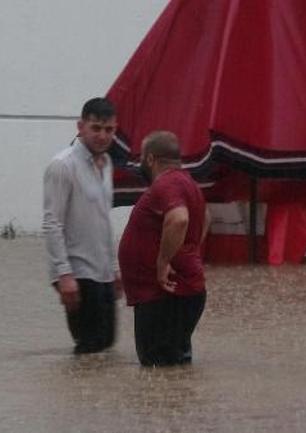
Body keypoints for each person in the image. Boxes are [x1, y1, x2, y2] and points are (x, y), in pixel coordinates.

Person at [118, 130, 210, 366]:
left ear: (150, 159)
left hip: (163, 295)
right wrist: (186, 253)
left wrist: (162, 262)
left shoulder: (166, 183)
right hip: (177, 291)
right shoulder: (188, 182)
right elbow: (206, 218)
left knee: (156, 369)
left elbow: (179, 219)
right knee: (173, 371)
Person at [43, 97, 122, 354]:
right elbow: (52, 223)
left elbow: (102, 222)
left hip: (103, 272)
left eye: (108, 129)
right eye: (95, 128)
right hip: (78, 274)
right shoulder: (62, 165)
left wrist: (115, 270)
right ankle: (75, 394)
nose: (102, 136)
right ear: (80, 126)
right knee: (89, 347)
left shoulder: (107, 164)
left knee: (107, 344)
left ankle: (92, 395)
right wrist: (64, 275)